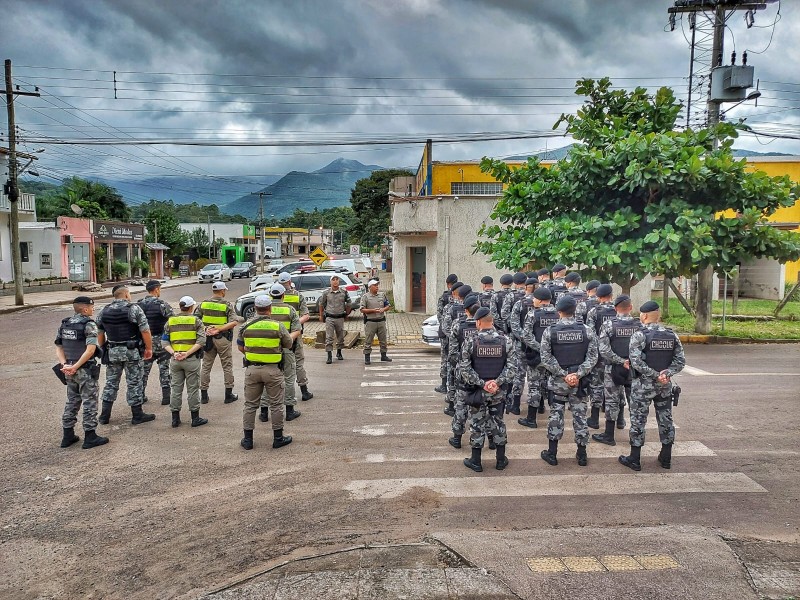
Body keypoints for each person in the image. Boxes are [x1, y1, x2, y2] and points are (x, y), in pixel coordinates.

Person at [619, 301, 685, 472]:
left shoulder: (640, 335)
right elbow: (680, 362)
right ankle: (666, 457)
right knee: (666, 419)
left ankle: (634, 458)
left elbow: (636, 362)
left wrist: (655, 375)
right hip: (664, 386)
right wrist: (666, 374)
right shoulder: (671, 335)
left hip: (643, 387)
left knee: (638, 420)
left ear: (645, 316)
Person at [539, 294, 598, 467]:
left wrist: (564, 374)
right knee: (580, 416)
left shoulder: (550, 331)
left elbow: (546, 358)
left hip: (559, 383)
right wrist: (578, 374)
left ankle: (552, 453)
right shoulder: (587, 330)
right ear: (575, 310)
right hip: (579, 383)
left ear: (558, 311)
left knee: (556, 415)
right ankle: (582, 455)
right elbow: (593, 357)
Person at [458, 307, 517, 472]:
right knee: (498, 422)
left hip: (478, 392)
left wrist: (482, 384)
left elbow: (465, 369)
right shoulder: (506, 341)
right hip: (497, 392)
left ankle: (476, 461)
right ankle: (500, 460)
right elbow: (512, 368)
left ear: (478, 322)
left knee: (477, 423)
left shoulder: (471, 341)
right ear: (492, 322)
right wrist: (496, 383)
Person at [237, 295, 294, 451]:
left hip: (252, 370)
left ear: (255, 308)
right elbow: (288, 344)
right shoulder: (277, 326)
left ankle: (248, 440)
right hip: (273, 371)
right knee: (276, 405)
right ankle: (278, 438)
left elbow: (240, 347)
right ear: (270, 309)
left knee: (249, 405)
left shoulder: (245, 326)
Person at [54, 296, 108, 449]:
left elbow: (59, 347)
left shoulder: (65, 324)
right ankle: (90, 437)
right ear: (84, 309)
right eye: (91, 307)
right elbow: (90, 350)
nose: (93, 309)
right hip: (83, 369)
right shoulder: (89, 324)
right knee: (90, 401)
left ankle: (68, 436)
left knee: (72, 401)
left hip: (69, 369)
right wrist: (76, 366)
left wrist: (65, 365)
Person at [97, 285, 155, 426]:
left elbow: (99, 332)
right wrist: (149, 348)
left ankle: (104, 415)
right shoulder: (134, 309)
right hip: (132, 352)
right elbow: (145, 331)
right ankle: (137, 415)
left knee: (111, 382)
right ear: (127, 295)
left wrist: (104, 347)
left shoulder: (104, 310)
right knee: (134, 382)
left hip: (113, 351)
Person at [594, 294, 640, 445]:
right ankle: (635, 436)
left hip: (613, 369)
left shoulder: (608, 325)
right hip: (634, 369)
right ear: (631, 308)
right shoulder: (638, 325)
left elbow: (604, 350)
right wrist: (631, 362)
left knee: (611, 400)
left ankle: (609, 435)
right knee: (634, 401)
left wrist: (621, 361)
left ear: (615, 309)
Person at [162, 296, 208, 428]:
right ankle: (195, 418)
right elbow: (201, 341)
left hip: (175, 360)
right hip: (191, 360)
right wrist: (187, 353)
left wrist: (174, 353)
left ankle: (175, 419)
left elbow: (164, 341)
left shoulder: (171, 321)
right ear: (191, 307)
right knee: (192, 389)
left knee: (176, 389)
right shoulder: (196, 321)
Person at [260, 283, 303, 423]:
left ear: (271, 295)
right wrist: (285, 340)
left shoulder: (266, 311)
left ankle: (264, 412)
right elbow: (297, 330)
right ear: (283, 295)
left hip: (268, 351)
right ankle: (289, 411)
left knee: (267, 381)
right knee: (289, 379)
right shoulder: (290, 310)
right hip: (286, 350)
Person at [519, 286, 559, 428]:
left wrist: (541, 349)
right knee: (552, 386)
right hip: (554, 358)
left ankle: (531, 418)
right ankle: (554, 417)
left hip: (536, 357)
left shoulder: (533, 314)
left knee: (535, 386)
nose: (533, 300)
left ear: (540, 300)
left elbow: (526, 336)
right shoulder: (558, 313)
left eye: (534, 298)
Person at [196, 281, 239, 404]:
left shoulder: (203, 304)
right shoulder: (227, 305)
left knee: (206, 366)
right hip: (223, 339)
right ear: (222, 291)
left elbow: (196, 320)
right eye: (225, 290)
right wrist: (219, 328)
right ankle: (228, 395)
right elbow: (234, 322)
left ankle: (204, 395)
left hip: (208, 339)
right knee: (227, 366)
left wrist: (206, 329)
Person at [585, 283, 617, 429]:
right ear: (612, 295)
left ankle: (595, 418)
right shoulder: (619, 311)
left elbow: (590, 335)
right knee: (616, 388)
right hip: (617, 357)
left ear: (598, 297)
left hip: (599, 356)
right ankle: (620, 420)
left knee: (596, 386)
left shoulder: (594, 312)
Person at [277, 272, 313, 401]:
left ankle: (277, 393)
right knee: (298, 363)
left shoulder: (272, 297)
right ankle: (304, 391)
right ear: (289, 281)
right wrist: (295, 324)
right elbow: (306, 315)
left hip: (275, 337)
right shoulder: (298, 296)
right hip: (294, 336)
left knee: (275, 364)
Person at [138, 279, 174, 405]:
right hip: (161, 341)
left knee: (143, 371)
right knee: (164, 369)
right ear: (157, 289)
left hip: (145, 343)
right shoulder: (162, 304)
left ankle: (140, 396)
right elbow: (172, 321)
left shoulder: (138, 305)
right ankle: (166, 398)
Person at [445, 294, 479, 424]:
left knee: (461, 403)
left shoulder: (458, 324)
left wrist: (457, 367)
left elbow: (453, 351)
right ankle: (491, 440)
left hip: (462, 369)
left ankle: (457, 437)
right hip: (482, 371)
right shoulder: (486, 325)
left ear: (466, 310)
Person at [507, 276, 538, 415]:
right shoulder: (545, 305)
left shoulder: (520, 303)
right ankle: (539, 406)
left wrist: (524, 339)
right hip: (538, 348)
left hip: (520, 345)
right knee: (537, 378)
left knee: (519, 375)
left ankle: (516, 405)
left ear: (526, 287)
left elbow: (514, 325)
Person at [441, 284, 472, 405]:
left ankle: (452, 403)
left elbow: (445, 327)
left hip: (456, 349)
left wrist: (455, 338)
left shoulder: (451, 308)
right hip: (471, 351)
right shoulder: (477, 309)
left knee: (453, 375)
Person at [318, 274, 352, 364]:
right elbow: (321, 304)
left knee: (340, 336)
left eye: (337, 279)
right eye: (333, 279)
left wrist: (347, 313)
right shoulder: (326, 293)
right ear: (330, 282)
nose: (335, 281)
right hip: (330, 317)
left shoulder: (344, 292)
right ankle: (329, 356)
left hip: (340, 317)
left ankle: (339, 352)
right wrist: (321, 315)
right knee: (329, 337)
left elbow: (349, 302)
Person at [435, 274, 459, 393]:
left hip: (445, 334)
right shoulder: (461, 295)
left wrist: (447, 330)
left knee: (445, 358)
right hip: (459, 334)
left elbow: (440, 316)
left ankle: (444, 384)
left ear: (448, 284)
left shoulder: (444, 297)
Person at [360, 278, 392, 364]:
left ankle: (383, 355)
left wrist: (383, 309)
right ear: (370, 287)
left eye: (377, 285)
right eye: (375, 285)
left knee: (383, 340)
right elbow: (362, 310)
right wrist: (373, 310)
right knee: (368, 340)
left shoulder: (382, 295)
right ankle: (367, 357)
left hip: (381, 321)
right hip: (371, 322)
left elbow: (388, 306)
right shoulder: (365, 297)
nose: (377, 287)